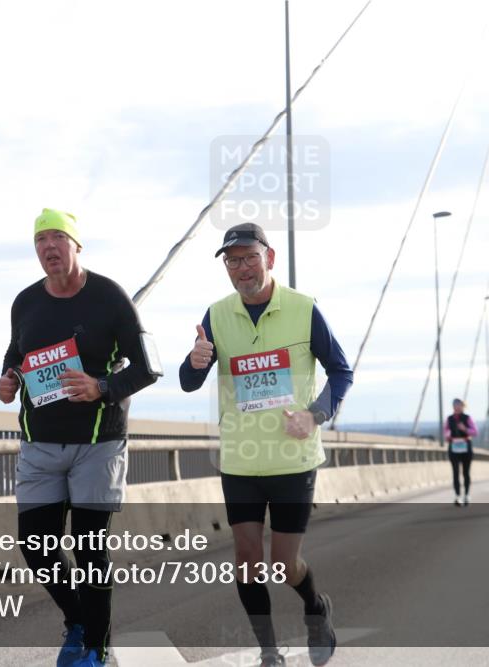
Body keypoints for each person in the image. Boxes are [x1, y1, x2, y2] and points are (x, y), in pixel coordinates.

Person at [179, 222, 353, 667]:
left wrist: (315, 415)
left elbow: (340, 371)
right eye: (232, 261)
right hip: (240, 459)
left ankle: (316, 607)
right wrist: (196, 362)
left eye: (249, 257)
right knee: (247, 560)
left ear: (269, 258)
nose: (241, 268)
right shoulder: (216, 316)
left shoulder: (303, 308)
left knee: (284, 564)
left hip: (293, 459)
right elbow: (187, 379)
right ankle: (269, 651)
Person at [0, 209, 159, 667]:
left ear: (76, 246)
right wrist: (7, 379)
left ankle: (97, 650)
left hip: (97, 442)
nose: (48, 248)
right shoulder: (25, 301)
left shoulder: (109, 297)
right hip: (39, 443)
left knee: (89, 548)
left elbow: (149, 367)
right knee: (36, 546)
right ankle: (79, 622)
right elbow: (16, 354)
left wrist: (101, 387)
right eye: (40, 240)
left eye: (57, 239)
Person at [444, 398, 478, 506]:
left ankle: (467, 495)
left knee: (465, 472)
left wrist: (465, 429)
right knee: (455, 473)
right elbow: (445, 432)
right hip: (454, 447)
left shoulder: (467, 418)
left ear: (463, 406)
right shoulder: (449, 419)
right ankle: (457, 496)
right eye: (455, 404)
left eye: (459, 405)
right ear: (453, 406)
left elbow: (475, 432)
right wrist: (448, 435)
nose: (457, 406)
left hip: (465, 447)